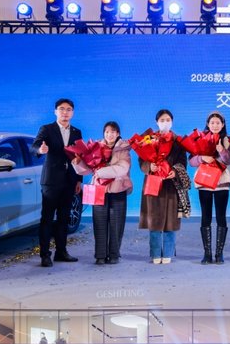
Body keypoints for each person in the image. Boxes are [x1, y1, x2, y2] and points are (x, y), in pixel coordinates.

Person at [73, 121, 132, 265]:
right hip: (99, 189)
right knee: (99, 223)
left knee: (116, 224)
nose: (109, 134)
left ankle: (114, 254)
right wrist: (78, 162)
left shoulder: (124, 149)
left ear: (118, 134)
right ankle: (100, 255)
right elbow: (88, 169)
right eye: (107, 132)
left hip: (118, 189)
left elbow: (122, 168)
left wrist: (100, 172)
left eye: (113, 132)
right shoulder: (96, 147)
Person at [32, 98, 82, 267]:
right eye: (61, 109)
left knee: (63, 218)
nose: (65, 112)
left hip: (69, 181)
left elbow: (79, 157)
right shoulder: (47, 129)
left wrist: (79, 180)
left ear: (72, 113)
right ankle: (45, 255)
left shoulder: (76, 132)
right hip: (51, 181)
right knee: (47, 218)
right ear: (55, 112)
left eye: (68, 109)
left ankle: (61, 252)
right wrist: (40, 150)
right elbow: (34, 146)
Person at [139, 109, 190, 264]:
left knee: (170, 220)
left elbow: (182, 161)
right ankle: (155, 254)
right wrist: (149, 167)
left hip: (171, 185)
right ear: (157, 122)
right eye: (162, 120)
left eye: (168, 120)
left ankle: (167, 253)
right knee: (154, 220)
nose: (165, 122)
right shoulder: (148, 139)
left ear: (172, 122)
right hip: (153, 183)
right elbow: (141, 160)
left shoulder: (178, 141)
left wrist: (175, 171)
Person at [189, 112, 230, 264]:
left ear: (223, 124)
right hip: (205, 183)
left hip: (222, 184)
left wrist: (221, 150)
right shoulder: (200, 138)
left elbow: (229, 160)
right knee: (205, 216)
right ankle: (207, 253)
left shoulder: (227, 140)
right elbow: (192, 161)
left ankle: (219, 253)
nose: (215, 125)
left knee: (221, 216)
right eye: (212, 122)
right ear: (208, 124)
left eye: (218, 123)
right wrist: (202, 158)